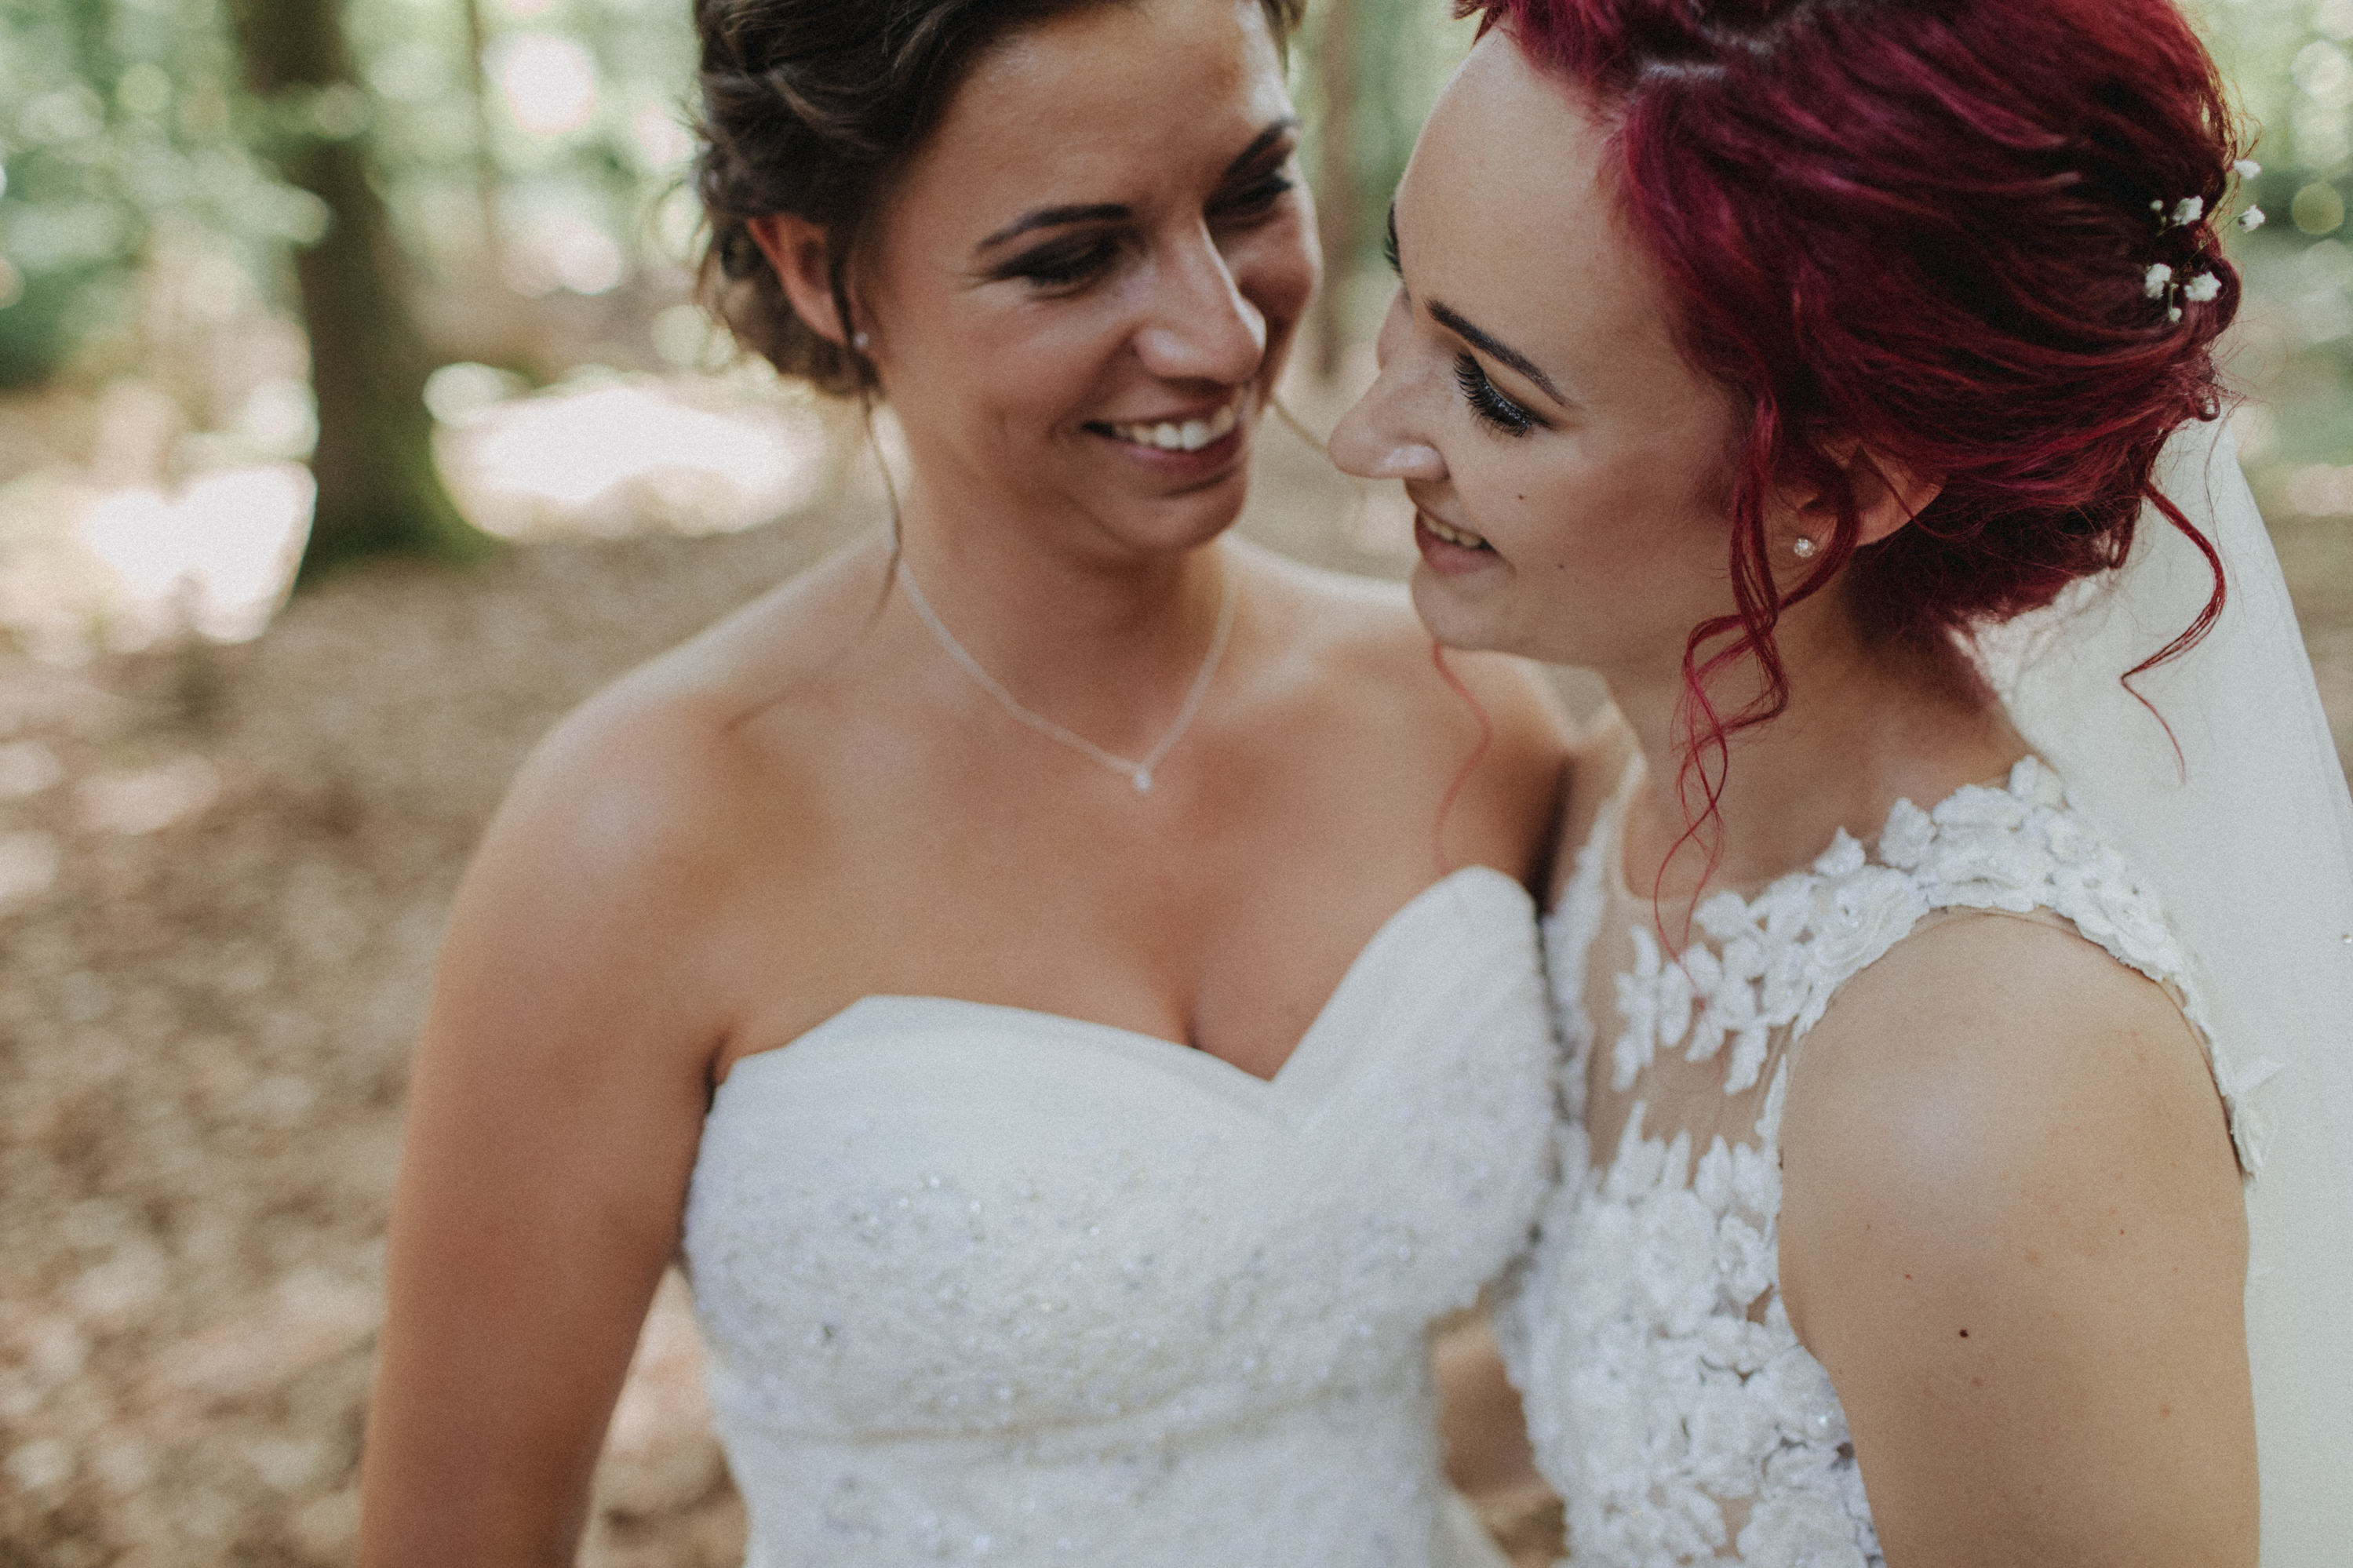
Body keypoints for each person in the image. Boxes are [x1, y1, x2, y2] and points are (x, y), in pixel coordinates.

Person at [351, 0, 1575, 1563]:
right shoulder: (638, 830)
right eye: (1071, 258)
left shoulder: (1464, 707)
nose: (1219, 331)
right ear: (818, 268)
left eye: (1252, 189)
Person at [1333, 1, 2353, 1564]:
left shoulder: (1991, 1103)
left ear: (1839, 483)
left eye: (1497, 396)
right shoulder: (1631, 796)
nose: (1364, 428)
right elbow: (1623, 1376)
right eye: (1410, 291)